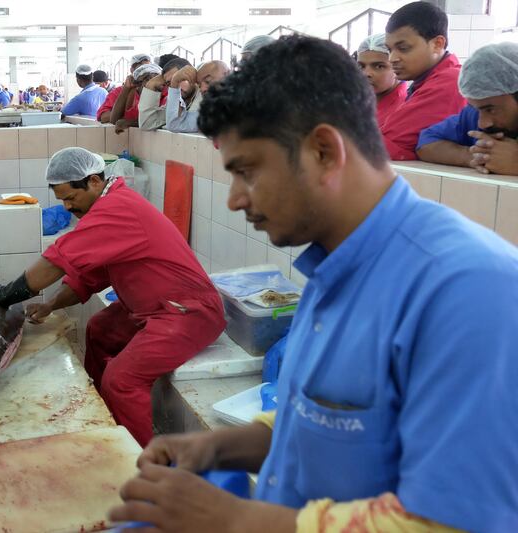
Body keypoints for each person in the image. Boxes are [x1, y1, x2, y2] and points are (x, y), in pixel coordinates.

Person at [108, 34, 518, 533]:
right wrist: (229, 445)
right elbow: (339, 417)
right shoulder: (337, 268)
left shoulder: (468, 290)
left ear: (324, 150)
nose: (235, 199)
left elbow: (457, 521)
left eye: (248, 171)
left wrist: (234, 519)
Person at [0, 147, 225, 446]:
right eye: (61, 199)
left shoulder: (118, 208)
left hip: (187, 313)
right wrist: (51, 304)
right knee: (99, 330)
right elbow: (89, 276)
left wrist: (8, 293)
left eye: (70, 198)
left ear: (93, 182)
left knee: (122, 380)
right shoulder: (110, 203)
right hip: (151, 307)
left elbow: (55, 261)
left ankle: (137, 458)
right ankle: (101, 413)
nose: (66, 207)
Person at [380, 1, 466, 160]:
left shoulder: (449, 82)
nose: (392, 58)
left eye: (403, 48)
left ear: (437, 44)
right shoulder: (426, 81)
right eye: (389, 50)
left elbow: (386, 146)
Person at [417, 41, 518, 176]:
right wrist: (477, 156)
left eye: (491, 109)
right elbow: (426, 143)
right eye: (478, 109)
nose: (482, 124)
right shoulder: (473, 114)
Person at [357, 33, 407, 128]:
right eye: (361, 66)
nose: (366, 73)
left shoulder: (404, 110)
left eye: (379, 66)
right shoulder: (357, 101)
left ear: (397, 67)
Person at [166, 60, 230, 133]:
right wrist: (174, 83)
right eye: (199, 85)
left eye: (207, 81)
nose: (202, 89)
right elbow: (175, 125)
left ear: (227, 77)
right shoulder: (209, 114)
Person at [98, 53, 151, 124]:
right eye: (141, 69)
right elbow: (104, 117)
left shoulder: (155, 91)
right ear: (132, 70)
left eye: (148, 69)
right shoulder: (118, 92)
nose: (144, 73)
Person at [139, 59, 189, 130]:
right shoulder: (176, 102)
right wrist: (150, 85)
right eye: (169, 83)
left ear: (190, 74)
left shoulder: (204, 99)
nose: (174, 85)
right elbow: (147, 124)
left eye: (177, 79)